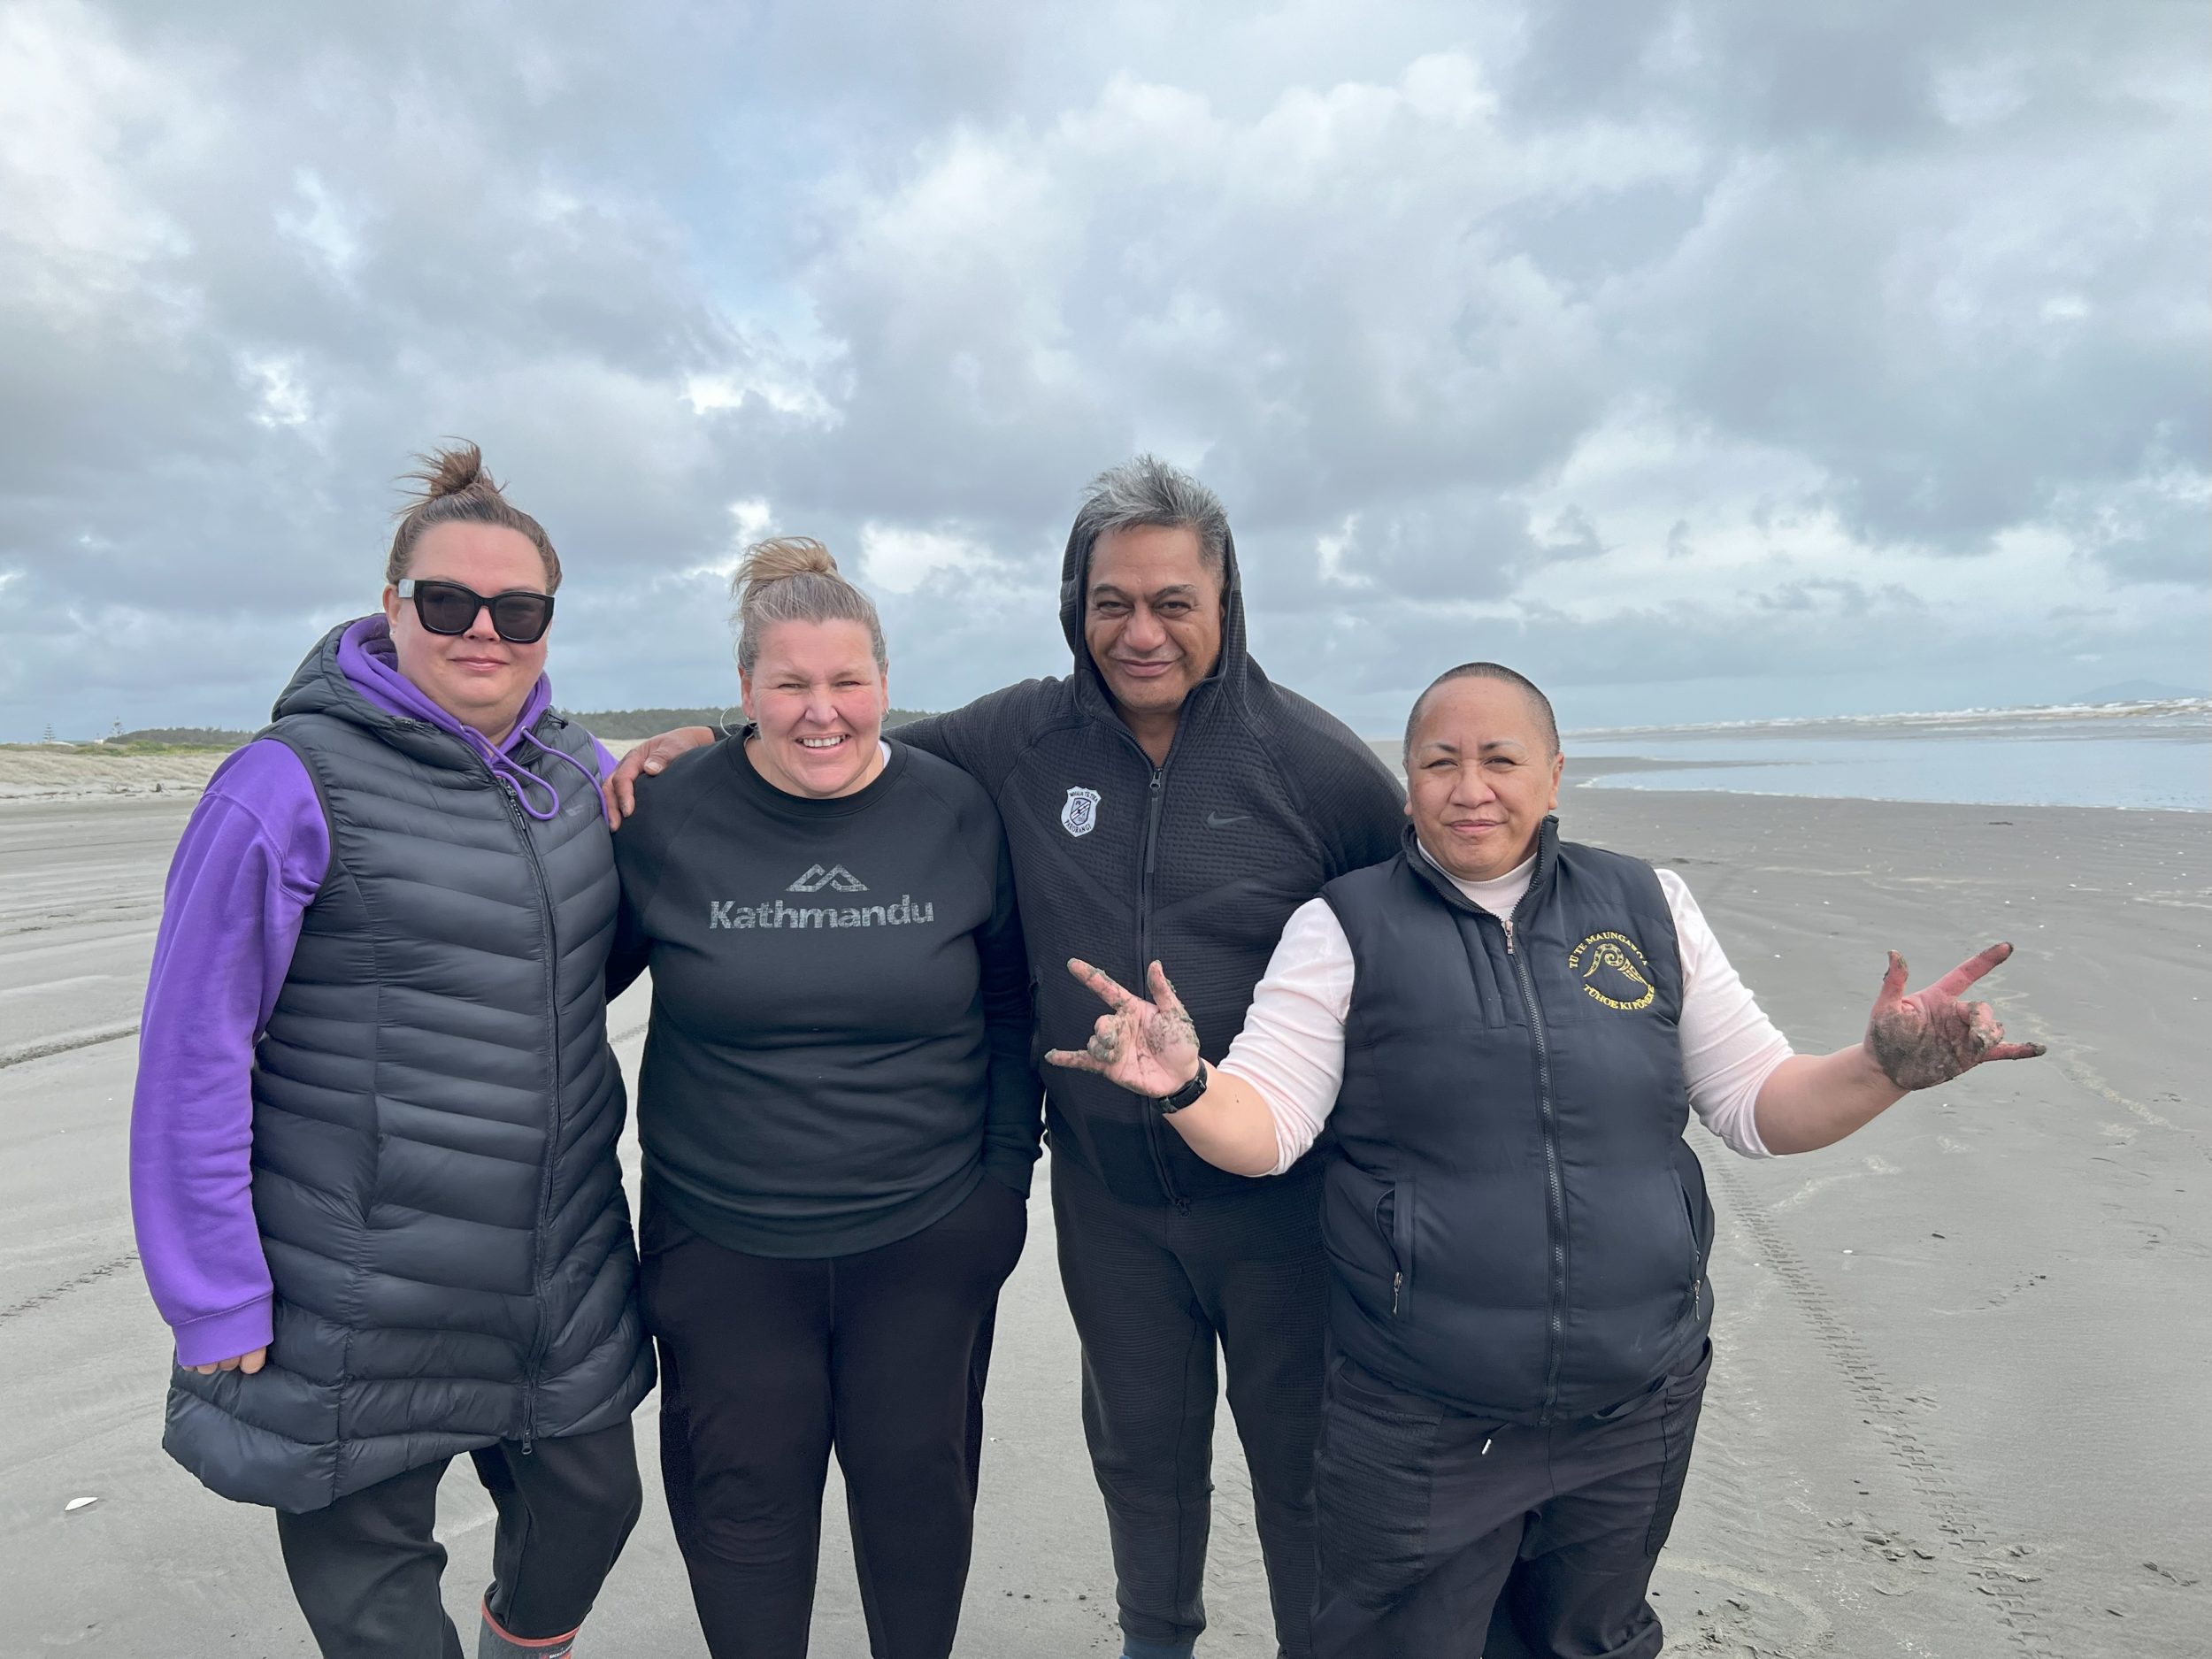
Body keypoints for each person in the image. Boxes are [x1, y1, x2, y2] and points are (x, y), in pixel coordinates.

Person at [1046, 660, 2049, 1659]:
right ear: (1408, 782)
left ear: (1555, 773)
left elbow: (1758, 1106)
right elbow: (1266, 1128)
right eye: (1440, 762)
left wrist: (1880, 1069)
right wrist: (1185, 1084)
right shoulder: (1344, 925)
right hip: (1422, 1420)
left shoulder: (1646, 906)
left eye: (1500, 759)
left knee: (1590, 1641)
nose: (1470, 787)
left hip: (1634, 1404)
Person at [607, 458, 1406, 1659]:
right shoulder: (1023, 735)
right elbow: (844, 733)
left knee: (1303, 1469)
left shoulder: (1316, 764)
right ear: (1074, 605)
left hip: (1280, 1191)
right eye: (1111, 601)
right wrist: (711, 742)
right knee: (1140, 1455)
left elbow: (1418, 924)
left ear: (1226, 602)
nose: (1141, 630)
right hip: (1111, 1196)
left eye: (1173, 601)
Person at [129, 444, 653, 1659]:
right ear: (390, 606)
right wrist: (211, 1293)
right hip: (351, 1279)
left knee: (592, 1506)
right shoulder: (283, 783)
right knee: (376, 1608)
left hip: (549, 1265)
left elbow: (598, 956)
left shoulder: (578, 773)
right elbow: (190, 1054)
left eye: (515, 608)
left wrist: (690, 767)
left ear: (548, 622)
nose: (483, 629)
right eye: (447, 601)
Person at [608, 538, 1039, 1659]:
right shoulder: (666, 813)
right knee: (743, 1512)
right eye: (790, 684)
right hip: (724, 1242)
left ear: (885, 685)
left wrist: (1000, 1191)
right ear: (744, 688)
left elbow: (1007, 1011)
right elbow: (558, 991)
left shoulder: (955, 810)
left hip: (927, 1232)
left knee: (917, 1504)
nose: (821, 713)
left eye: (847, 682)